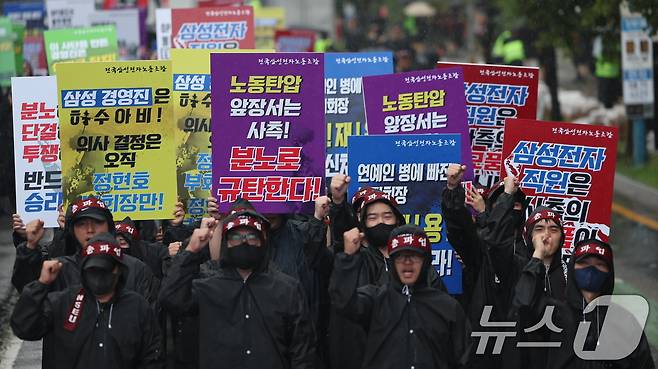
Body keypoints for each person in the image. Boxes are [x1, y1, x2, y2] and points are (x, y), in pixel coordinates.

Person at [159, 203, 317, 369]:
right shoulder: (207, 286)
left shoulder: (287, 289)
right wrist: (191, 250)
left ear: (262, 242)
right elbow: (170, 298)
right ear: (226, 243)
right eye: (236, 238)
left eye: (251, 237)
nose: (244, 242)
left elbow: (303, 350)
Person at [11, 233, 162, 369]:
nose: (99, 276)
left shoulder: (137, 306)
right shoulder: (63, 301)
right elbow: (24, 327)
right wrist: (41, 284)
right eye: (93, 269)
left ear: (118, 270)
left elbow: (152, 356)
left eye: (105, 269)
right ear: (83, 271)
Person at [330, 224, 471, 369]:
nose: (407, 262)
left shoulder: (448, 307)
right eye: (401, 256)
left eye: (414, 256)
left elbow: (463, 359)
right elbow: (343, 302)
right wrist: (348, 258)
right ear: (392, 260)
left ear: (426, 260)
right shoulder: (375, 299)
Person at [507, 238, 655, 369]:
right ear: (572, 268)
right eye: (583, 263)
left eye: (599, 264)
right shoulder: (553, 314)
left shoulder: (624, 321)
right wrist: (538, 256)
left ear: (609, 272)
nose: (591, 269)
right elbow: (522, 304)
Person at [442, 164, 530, 369]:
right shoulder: (480, 250)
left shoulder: (535, 248)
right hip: (482, 342)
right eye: (503, 203)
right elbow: (461, 230)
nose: (510, 208)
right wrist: (453, 190)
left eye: (516, 205)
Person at [11, 197, 156, 304]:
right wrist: (29, 246)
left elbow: (149, 328)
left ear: (110, 227)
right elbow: (28, 301)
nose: (90, 230)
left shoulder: (136, 269)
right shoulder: (58, 269)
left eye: (98, 222)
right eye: (82, 224)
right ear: (72, 230)